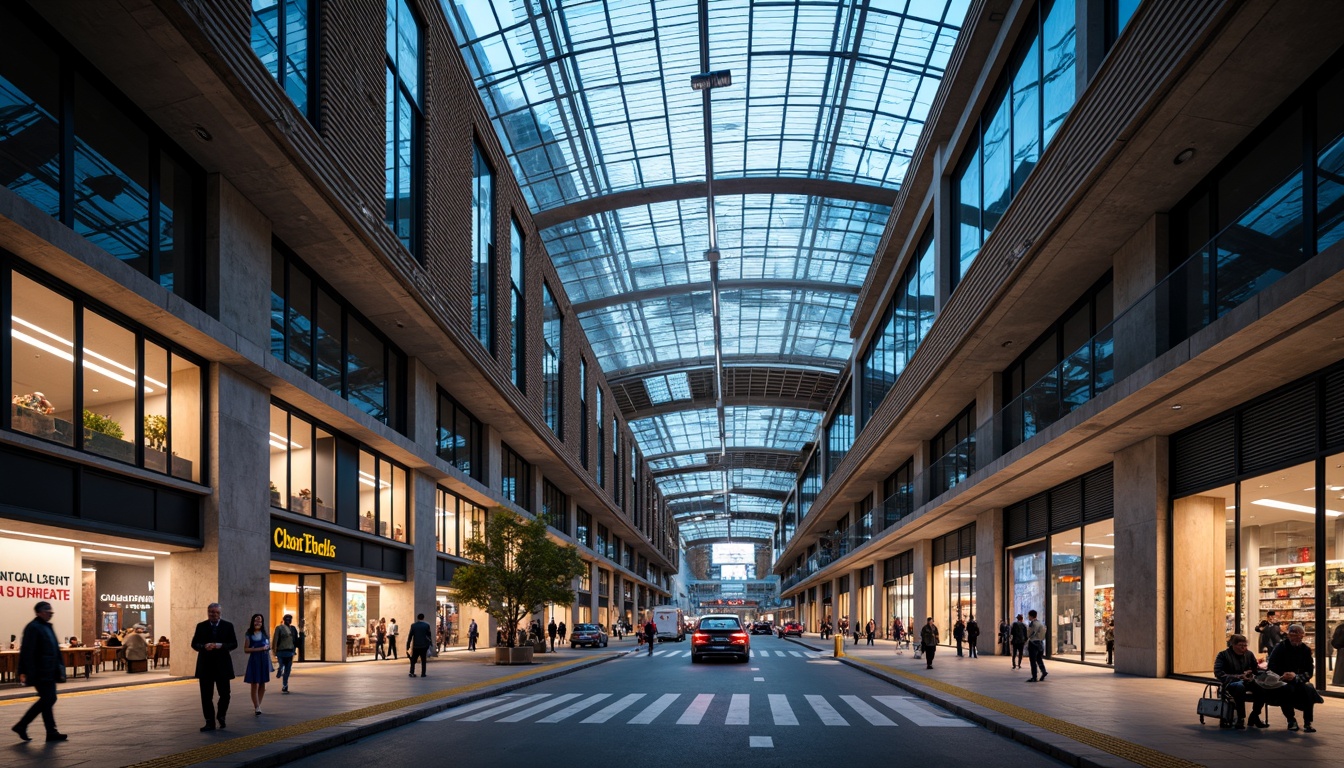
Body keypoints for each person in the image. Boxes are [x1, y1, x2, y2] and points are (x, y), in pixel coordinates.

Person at [12, 601, 66, 743]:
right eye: (47, 611)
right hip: (40, 671)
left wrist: (59, 667)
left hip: (49, 669)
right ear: (39, 612)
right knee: (49, 699)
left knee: (48, 700)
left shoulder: (46, 627)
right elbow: (27, 651)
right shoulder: (33, 628)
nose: (50, 613)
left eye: (51, 612)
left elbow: (54, 649)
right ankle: (22, 725)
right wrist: (22, 671)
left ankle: (51, 732)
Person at [191, 602, 238, 732]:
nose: (214, 615)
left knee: (225, 694)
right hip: (205, 666)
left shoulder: (228, 626)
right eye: (211, 612)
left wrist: (220, 645)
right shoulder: (201, 626)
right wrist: (203, 646)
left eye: (216, 612)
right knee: (206, 696)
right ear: (208, 613)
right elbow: (194, 644)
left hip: (222, 666)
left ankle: (221, 715)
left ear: (220, 613)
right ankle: (209, 722)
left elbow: (234, 644)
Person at [1267, 623, 1321, 732]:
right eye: (1293, 634)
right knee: (1286, 690)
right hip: (1282, 680)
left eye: (1299, 635)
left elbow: (1309, 671)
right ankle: (1291, 720)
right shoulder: (1280, 647)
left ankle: (1307, 722)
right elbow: (1271, 665)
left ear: (1303, 635)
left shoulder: (1305, 650)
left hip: (1298, 680)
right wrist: (1283, 675)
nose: (1296, 637)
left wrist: (1296, 677)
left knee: (1309, 690)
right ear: (1288, 635)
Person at [1214, 633, 1261, 730]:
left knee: (1262, 687)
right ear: (1233, 645)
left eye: (1245, 645)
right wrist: (1239, 677)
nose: (1243, 648)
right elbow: (1219, 673)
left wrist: (1251, 673)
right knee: (1239, 687)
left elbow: (1256, 669)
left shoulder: (1249, 654)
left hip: (1247, 681)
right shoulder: (1223, 655)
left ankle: (1255, 715)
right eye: (1240, 646)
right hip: (1230, 683)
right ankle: (1241, 717)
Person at [242, 613, 270, 716]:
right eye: (256, 620)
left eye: (260, 621)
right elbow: (246, 649)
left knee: (262, 683)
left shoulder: (264, 633)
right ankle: (256, 706)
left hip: (264, 660)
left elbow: (268, 646)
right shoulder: (249, 634)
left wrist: (266, 649)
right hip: (254, 660)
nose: (258, 622)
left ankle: (258, 705)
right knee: (255, 683)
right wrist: (259, 649)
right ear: (253, 621)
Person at [272, 614, 298, 693]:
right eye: (287, 619)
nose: (288, 620)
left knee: (288, 669)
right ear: (283, 619)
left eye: (290, 619)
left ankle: (285, 685)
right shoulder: (279, 628)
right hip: (281, 651)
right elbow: (275, 639)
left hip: (290, 651)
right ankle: (280, 669)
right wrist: (274, 650)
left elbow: (296, 640)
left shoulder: (293, 629)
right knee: (281, 665)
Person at [407, 613, 434, 677]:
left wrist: (408, 645)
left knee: (413, 660)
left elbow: (410, 636)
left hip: (416, 646)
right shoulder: (426, 625)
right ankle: (423, 673)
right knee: (423, 660)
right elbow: (429, 635)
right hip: (424, 646)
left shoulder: (413, 625)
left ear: (417, 618)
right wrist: (430, 644)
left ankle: (412, 672)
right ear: (423, 618)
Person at [1025, 609, 1048, 682]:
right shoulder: (1041, 623)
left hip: (1033, 643)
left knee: (1033, 660)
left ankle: (1034, 677)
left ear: (1031, 616)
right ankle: (1043, 671)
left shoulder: (1033, 624)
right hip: (1040, 643)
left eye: (1029, 615)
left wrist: (1027, 636)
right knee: (1039, 658)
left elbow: (1029, 633)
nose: (1028, 617)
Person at [1332, 621, 1344, 687]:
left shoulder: (1340, 627)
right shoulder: (1341, 627)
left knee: (1340, 667)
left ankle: (1338, 681)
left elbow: (1334, 640)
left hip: (1341, 649)